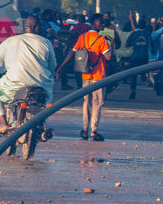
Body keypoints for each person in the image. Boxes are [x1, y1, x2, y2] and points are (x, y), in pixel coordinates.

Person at [0, 15, 57, 137]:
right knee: (49, 92)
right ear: (35, 27)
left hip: (14, 84)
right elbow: (52, 65)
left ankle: (3, 124)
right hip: (40, 85)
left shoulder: (10, 41)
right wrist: (49, 76)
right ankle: (42, 120)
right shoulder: (46, 42)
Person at [57, 13, 112, 141]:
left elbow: (72, 52)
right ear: (94, 24)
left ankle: (85, 130)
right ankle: (94, 130)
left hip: (85, 74)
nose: (103, 25)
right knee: (97, 103)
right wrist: (111, 42)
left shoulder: (82, 37)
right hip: (98, 76)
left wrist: (61, 66)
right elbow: (108, 57)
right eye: (101, 23)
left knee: (86, 102)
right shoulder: (102, 39)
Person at [123, 15, 150, 100]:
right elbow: (151, 42)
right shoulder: (147, 34)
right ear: (145, 26)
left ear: (138, 25)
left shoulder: (134, 34)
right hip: (145, 57)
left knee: (133, 75)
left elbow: (126, 44)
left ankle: (132, 90)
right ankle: (144, 75)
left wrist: (132, 44)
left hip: (135, 57)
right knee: (145, 70)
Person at [60, 14, 90, 89]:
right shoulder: (88, 27)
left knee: (77, 67)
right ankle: (86, 83)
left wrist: (68, 46)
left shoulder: (74, 26)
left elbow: (70, 36)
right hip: (87, 49)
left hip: (76, 48)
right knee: (86, 66)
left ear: (78, 20)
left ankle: (79, 84)